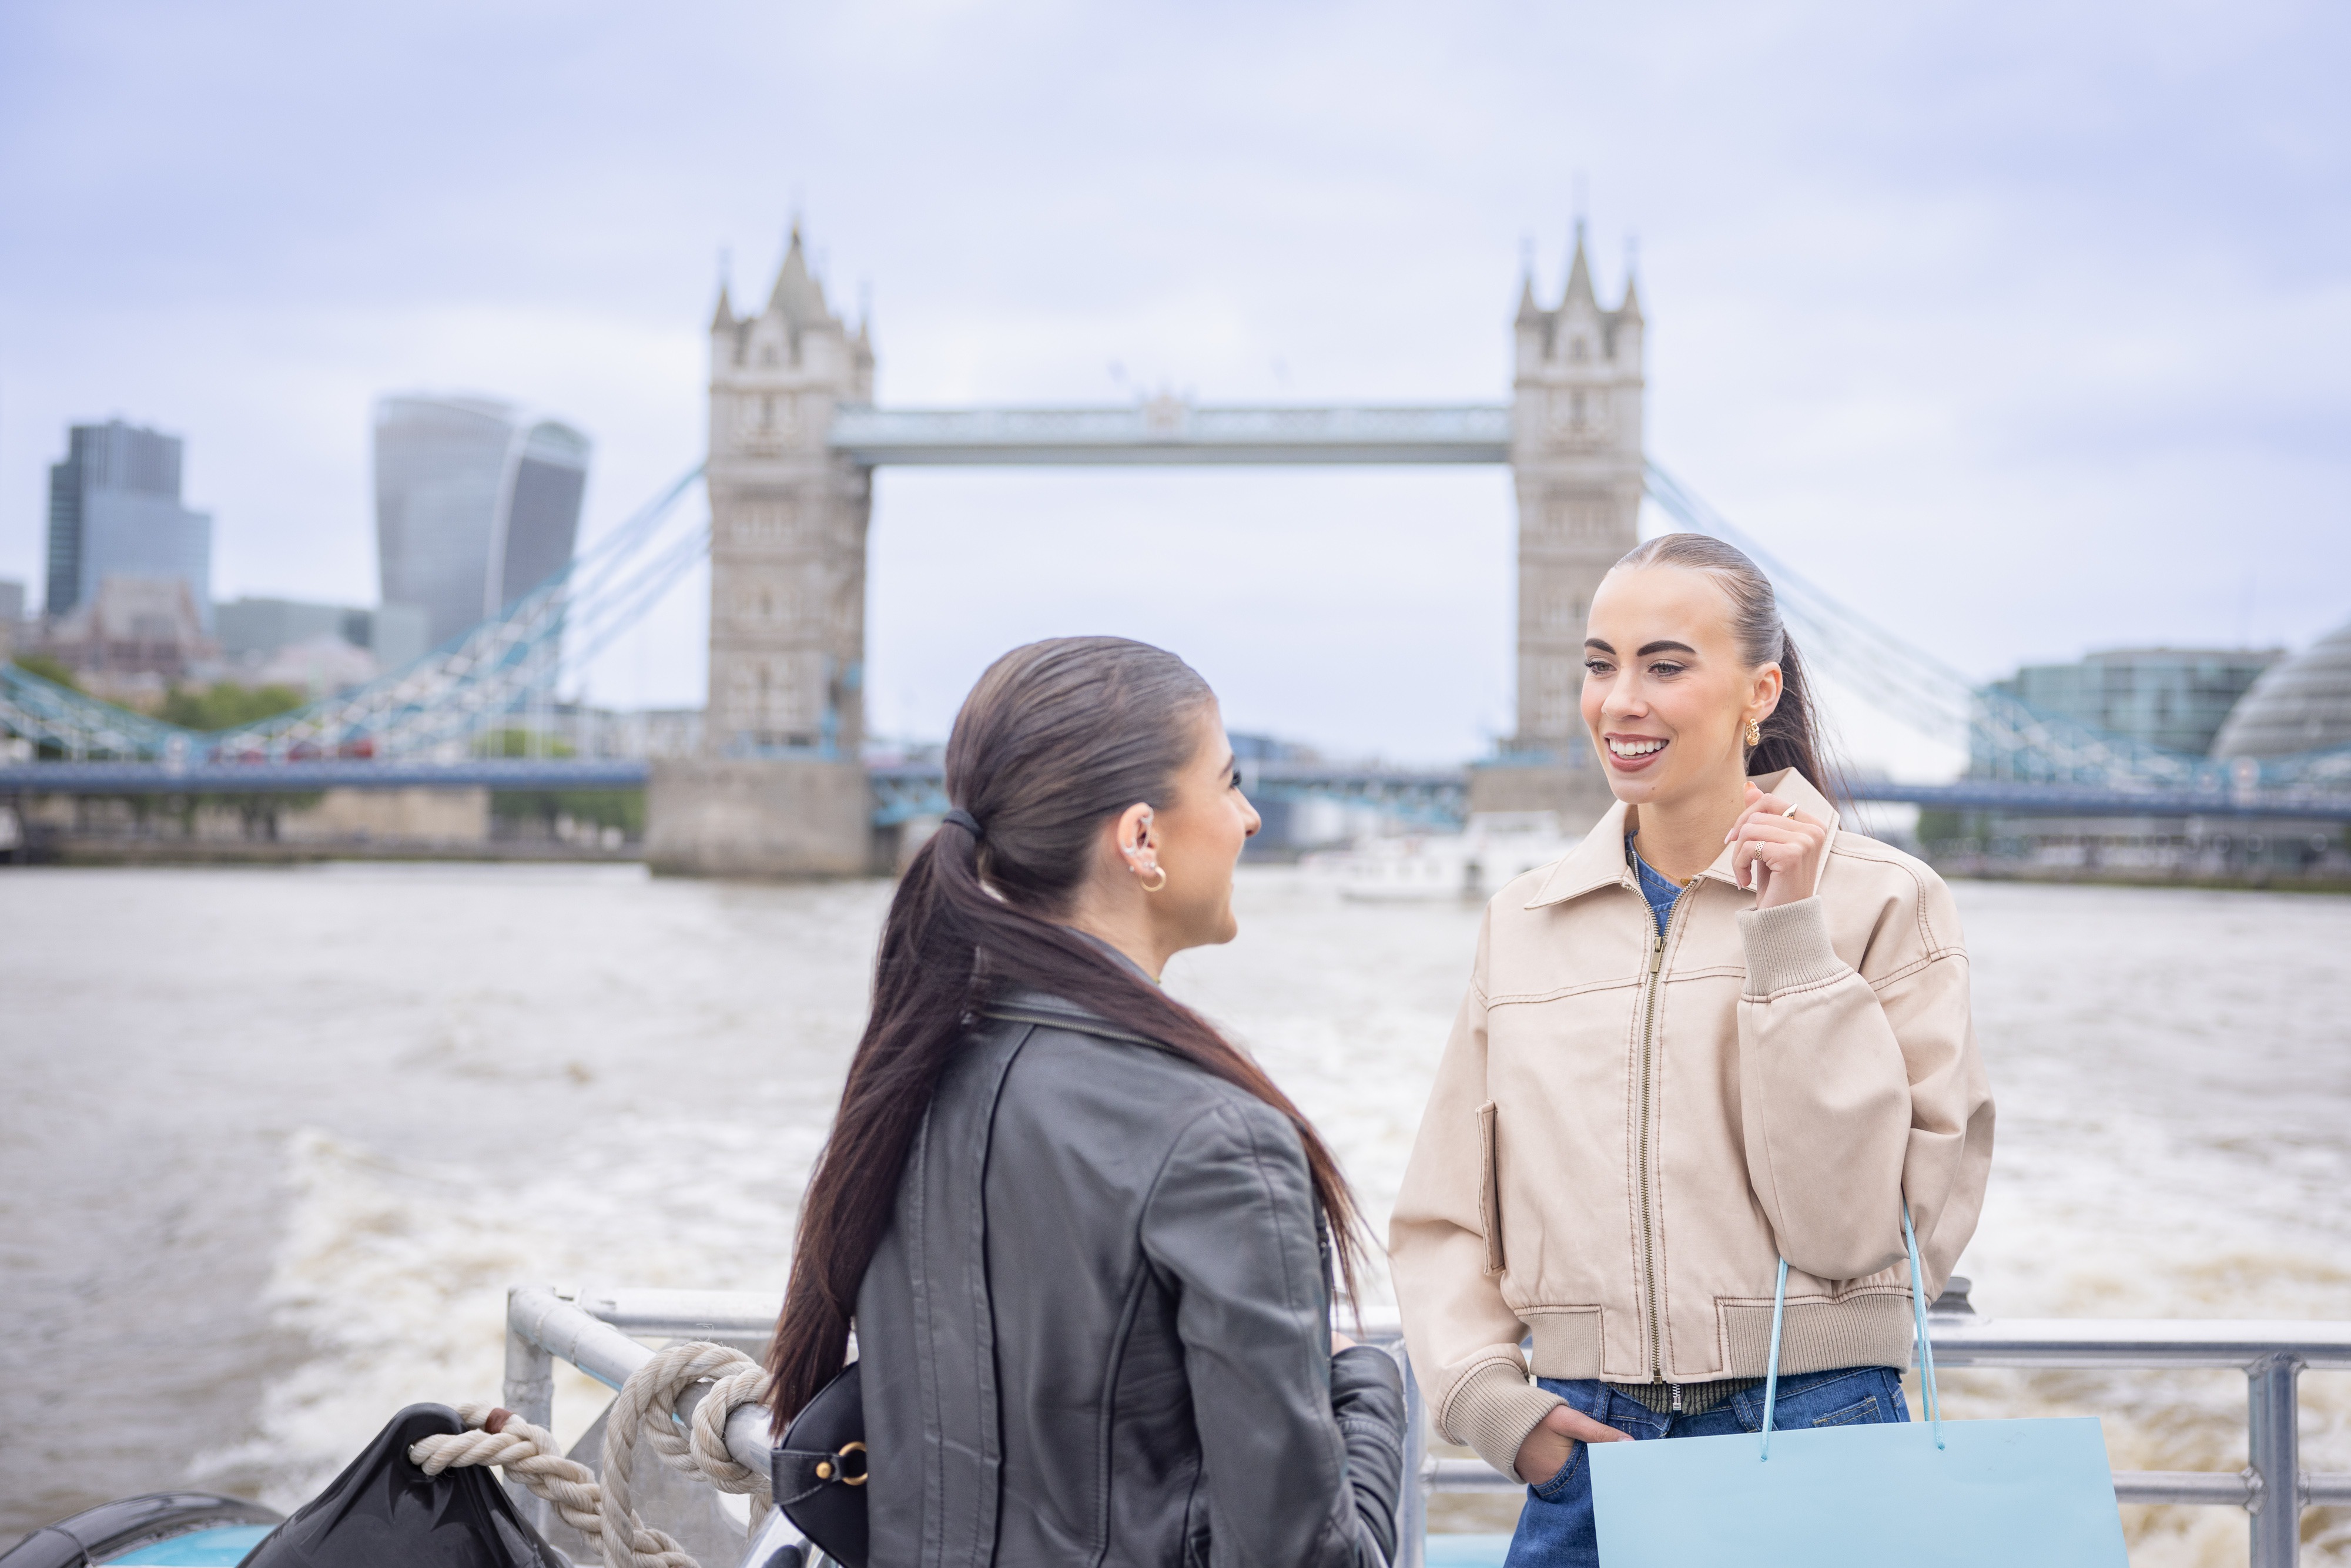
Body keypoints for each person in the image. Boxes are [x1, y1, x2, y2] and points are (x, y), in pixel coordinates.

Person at [1389, 534, 1995, 1566]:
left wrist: (1791, 939)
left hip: (1816, 1432)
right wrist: (1490, 1400)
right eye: (1600, 663)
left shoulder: (1886, 899)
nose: (1620, 700)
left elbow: (1855, 1234)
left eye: (1665, 665)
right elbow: (1444, 1208)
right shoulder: (1525, 920)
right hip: (1587, 1448)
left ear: (1759, 690)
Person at [765, 636, 1406, 1568]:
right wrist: (1365, 1385)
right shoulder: (1218, 1142)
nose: (1251, 818)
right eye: (1229, 783)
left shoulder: (910, 1077)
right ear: (1141, 837)